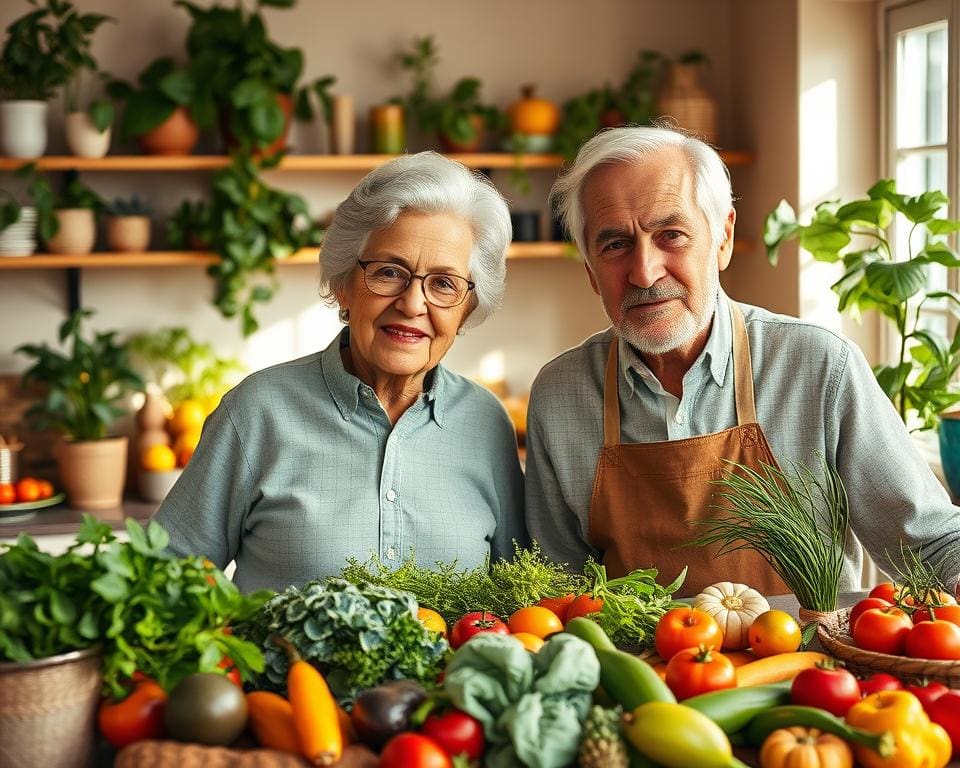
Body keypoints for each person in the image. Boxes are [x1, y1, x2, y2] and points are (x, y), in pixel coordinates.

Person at [525, 125, 960, 597]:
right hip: (637, 668)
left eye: (671, 234)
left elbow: (934, 545)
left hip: (807, 665)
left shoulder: (819, 367)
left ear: (723, 239)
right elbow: (556, 592)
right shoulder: (560, 394)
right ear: (590, 270)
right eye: (615, 245)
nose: (644, 271)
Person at [154, 152, 526, 592]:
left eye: (443, 283)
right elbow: (168, 578)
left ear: (466, 309)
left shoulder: (486, 422)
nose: (412, 304)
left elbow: (515, 600)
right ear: (343, 284)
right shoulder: (257, 413)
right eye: (390, 272)